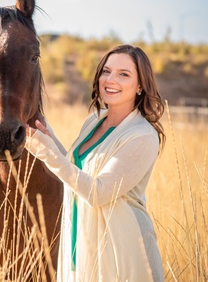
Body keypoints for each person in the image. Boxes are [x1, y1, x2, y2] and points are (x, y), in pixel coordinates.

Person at [25, 44, 165, 282]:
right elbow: (77, 170)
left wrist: (47, 153)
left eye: (124, 74)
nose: (110, 80)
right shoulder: (94, 121)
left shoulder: (142, 136)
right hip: (82, 242)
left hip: (122, 251)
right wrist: (49, 140)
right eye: (106, 71)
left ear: (140, 85)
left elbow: (97, 192)